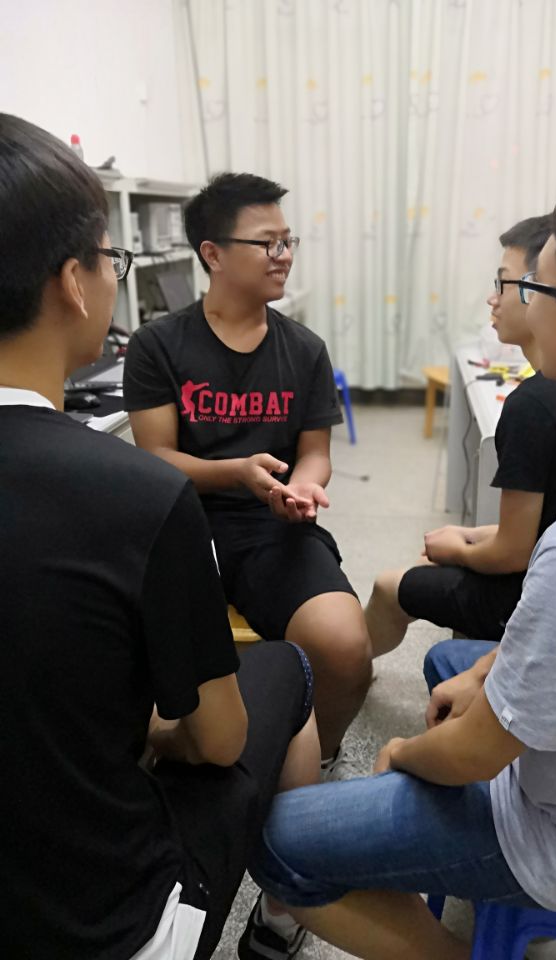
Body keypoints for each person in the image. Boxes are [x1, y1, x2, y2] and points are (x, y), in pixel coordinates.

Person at [236, 162, 556, 960]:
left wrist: (399, 757)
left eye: (534, 286)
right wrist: (493, 670)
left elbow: (473, 755)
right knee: (453, 667)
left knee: (277, 836)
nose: (516, 300)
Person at [0, 113, 319, 960]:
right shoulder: (139, 493)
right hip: (105, 925)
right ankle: (280, 924)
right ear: (74, 282)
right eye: (114, 259)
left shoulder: (299, 348)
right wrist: (152, 734)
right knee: (288, 668)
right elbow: (216, 742)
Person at [123, 173, 372, 765]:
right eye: (267, 243)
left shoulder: (304, 348)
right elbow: (156, 458)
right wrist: (238, 471)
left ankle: (320, 754)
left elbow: (316, 451)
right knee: (137, 666)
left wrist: (303, 486)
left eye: (288, 241)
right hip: (179, 527)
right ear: (213, 254)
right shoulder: (158, 345)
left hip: (272, 527)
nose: (283, 255)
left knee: (345, 647)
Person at [365, 216, 556, 656]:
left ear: (538, 289)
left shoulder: (534, 405)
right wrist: (468, 537)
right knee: (443, 550)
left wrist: (459, 549)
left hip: (534, 597)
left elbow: (513, 553)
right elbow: (551, 520)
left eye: (502, 283)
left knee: (388, 584)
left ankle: (343, 679)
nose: (493, 298)